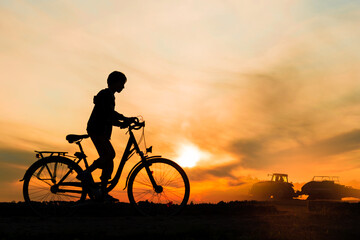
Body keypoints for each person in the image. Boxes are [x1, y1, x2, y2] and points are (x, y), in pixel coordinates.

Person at [80, 71, 135, 202]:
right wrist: (123, 119)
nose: (123, 87)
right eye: (122, 83)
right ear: (115, 82)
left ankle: (103, 193)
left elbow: (108, 115)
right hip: (96, 130)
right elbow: (107, 114)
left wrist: (122, 122)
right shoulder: (106, 95)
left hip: (101, 130)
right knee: (109, 155)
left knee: (108, 161)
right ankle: (86, 173)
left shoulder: (109, 95)